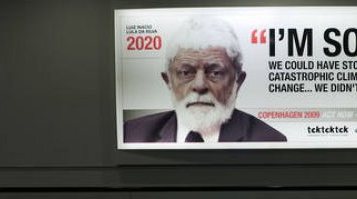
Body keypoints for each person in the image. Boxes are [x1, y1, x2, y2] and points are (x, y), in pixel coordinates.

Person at [123, 16, 286, 143]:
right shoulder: (132, 134)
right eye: (186, 73)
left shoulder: (269, 139)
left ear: (238, 82)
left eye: (215, 72)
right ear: (168, 81)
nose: (200, 85)